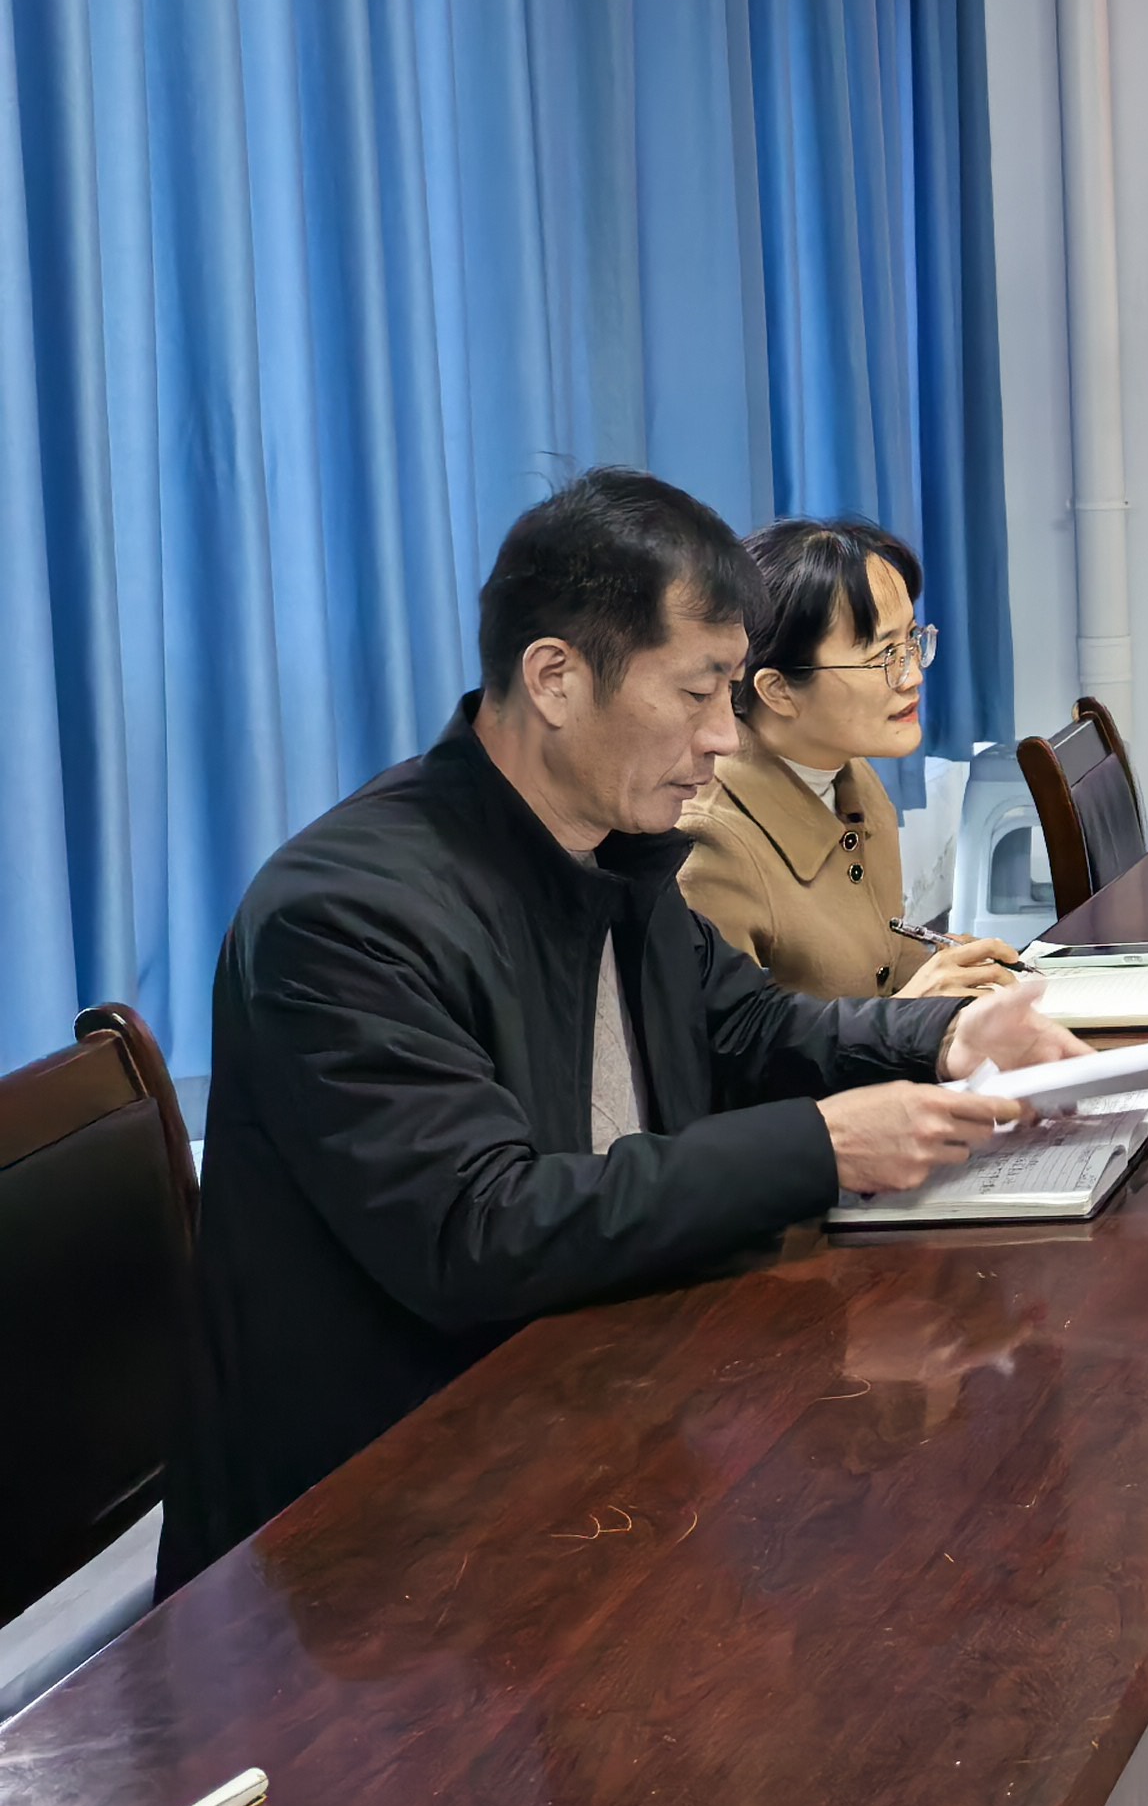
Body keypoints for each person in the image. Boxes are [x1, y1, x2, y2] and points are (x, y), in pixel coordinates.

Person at [163, 470, 1085, 1584]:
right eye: (696, 693)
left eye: (730, 691)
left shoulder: (610, 845)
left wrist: (943, 1041)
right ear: (554, 678)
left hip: (601, 1410)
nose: (723, 737)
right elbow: (480, 1230)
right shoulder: (344, 914)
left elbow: (744, 1029)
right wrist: (827, 1145)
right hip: (384, 1531)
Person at [680, 516, 1020, 1003]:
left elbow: (884, 963)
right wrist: (909, 1013)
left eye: (911, 641)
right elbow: (736, 1044)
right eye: (883, 656)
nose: (912, 676)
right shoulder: (711, 843)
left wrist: (949, 968)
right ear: (778, 690)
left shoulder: (848, 772)